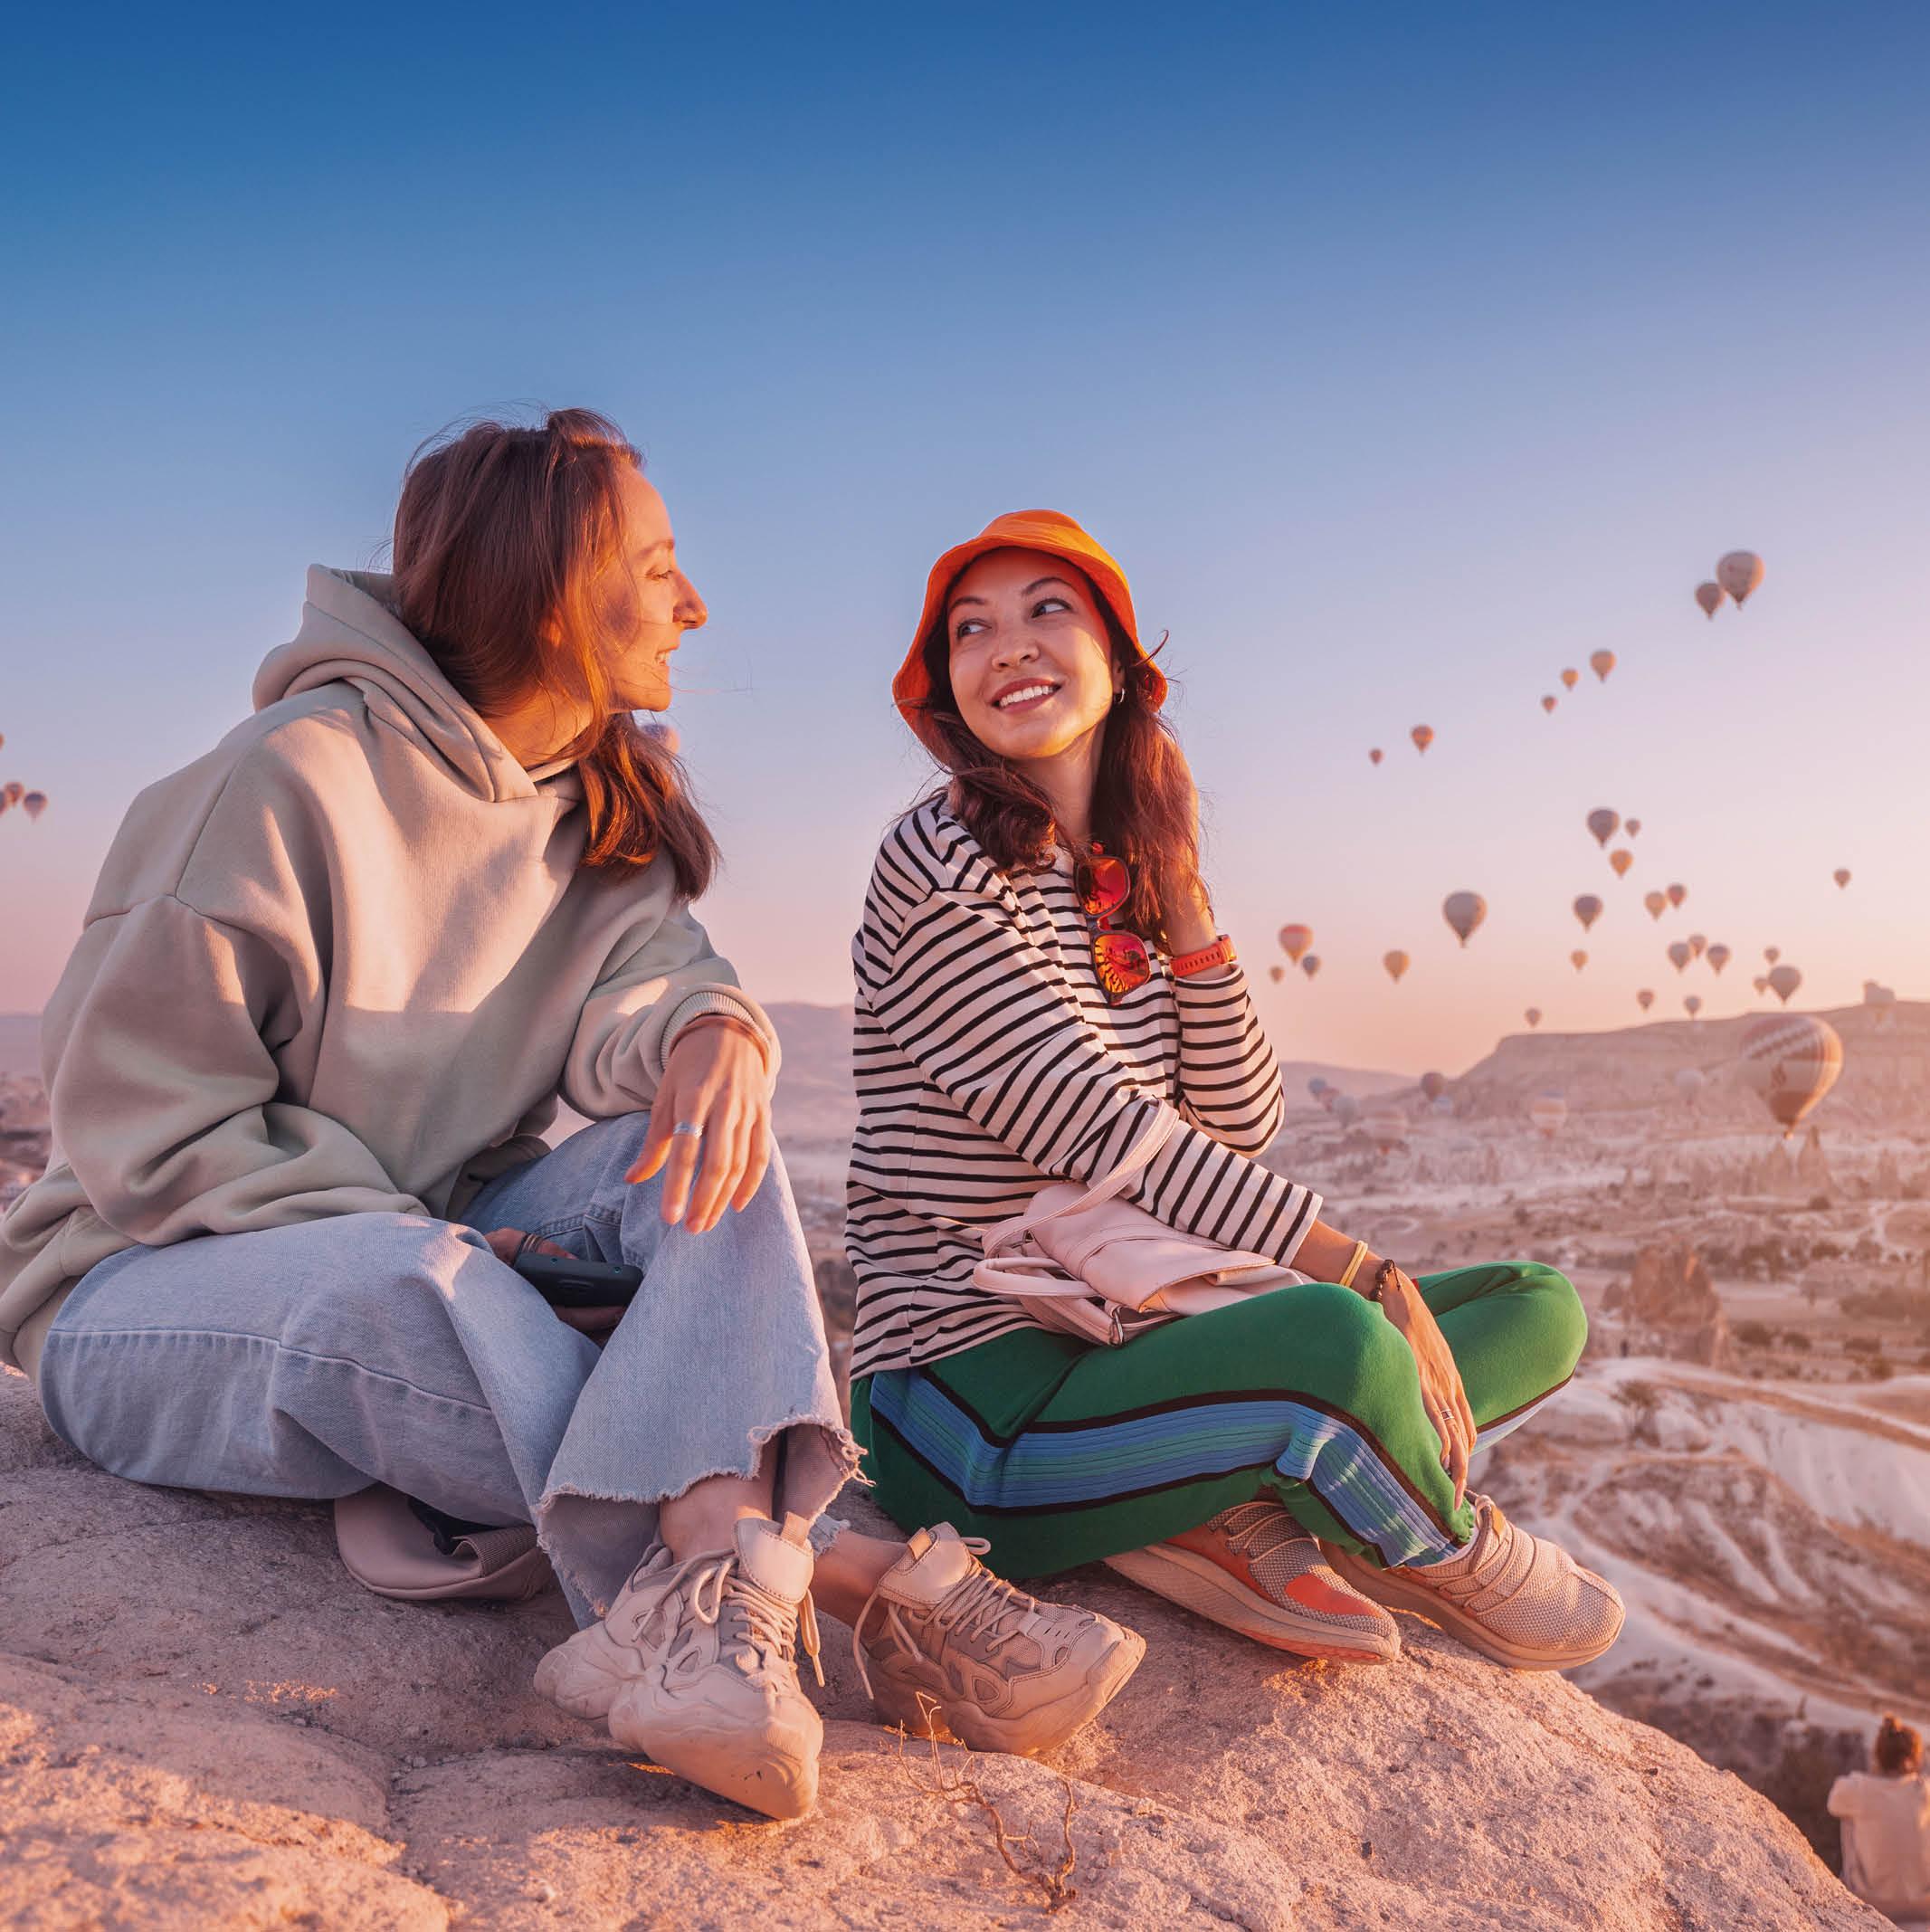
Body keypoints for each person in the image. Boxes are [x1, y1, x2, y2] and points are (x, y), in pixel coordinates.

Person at [0, 418, 1141, 1822]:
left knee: (700, 1159)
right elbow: (142, 1127)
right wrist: (458, 1250)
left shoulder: (593, 813)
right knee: (405, 1275)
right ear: (549, 590)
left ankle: (712, 1595)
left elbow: (653, 990)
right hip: (135, 1291)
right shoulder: (287, 778)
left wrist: (714, 1032)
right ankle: (847, 1571)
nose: (696, 604)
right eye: (660, 567)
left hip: (429, 1244)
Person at [846, 509, 1625, 1671]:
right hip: (971, 1391)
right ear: (949, 692)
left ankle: (1216, 1502)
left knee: (1536, 1301)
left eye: (1045, 610)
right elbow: (1087, 1120)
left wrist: (1186, 903)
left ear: (1119, 664)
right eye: (973, 629)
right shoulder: (939, 854)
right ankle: (1439, 1546)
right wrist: (1358, 1267)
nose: (1008, 645)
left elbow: (1237, 1123)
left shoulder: (1125, 875)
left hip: (1140, 1328)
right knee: (1337, 1327)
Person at [1830, 1716, 1930, 1927]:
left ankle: (1861, 1884)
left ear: (1877, 1755)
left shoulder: (1855, 1788)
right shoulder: (1925, 1791)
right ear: (1915, 1757)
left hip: (1870, 1902)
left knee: (1849, 1817)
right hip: (1924, 1906)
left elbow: (1833, 1804)